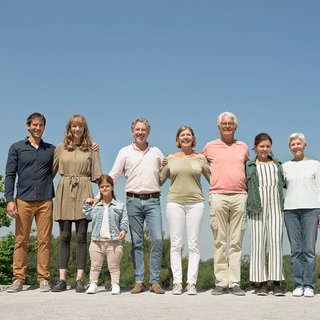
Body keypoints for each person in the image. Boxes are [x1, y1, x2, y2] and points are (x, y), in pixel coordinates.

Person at [107, 117, 165, 294]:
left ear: (148, 132)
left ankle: (154, 281)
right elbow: (114, 176)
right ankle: (139, 280)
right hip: (132, 201)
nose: (140, 132)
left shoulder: (157, 152)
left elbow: (167, 172)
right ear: (133, 132)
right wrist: (99, 196)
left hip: (153, 200)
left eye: (144, 130)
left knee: (157, 240)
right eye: (137, 130)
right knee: (137, 242)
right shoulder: (124, 152)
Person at [51, 114, 102, 293]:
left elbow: (97, 175)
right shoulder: (60, 148)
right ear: (69, 128)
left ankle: (80, 279)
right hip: (64, 191)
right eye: (74, 126)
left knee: (81, 238)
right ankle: (62, 279)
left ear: (84, 129)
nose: (77, 129)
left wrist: (102, 196)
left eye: (80, 126)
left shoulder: (92, 149)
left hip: (84, 192)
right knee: (64, 237)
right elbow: (50, 172)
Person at [5, 112, 55, 293]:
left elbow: (67, 155)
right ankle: (18, 279)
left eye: (40, 125)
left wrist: (92, 145)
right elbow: (10, 175)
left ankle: (43, 279)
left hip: (45, 201)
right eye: (34, 125)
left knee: (45, 241)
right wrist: (9, 200)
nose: (37, 128)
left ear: (44, 127)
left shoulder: (51, 149)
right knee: (21, 240)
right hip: (23, 201)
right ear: (28, 126)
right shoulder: (16, 148)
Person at [202, 111, 249, 296]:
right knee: (220, 241)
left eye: (231, 123)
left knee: (236, 241)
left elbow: (248, 168)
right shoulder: (210, 146)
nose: (227, 126)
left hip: (239, 196)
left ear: (235, 126)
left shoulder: (243, 147)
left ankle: (235, 281)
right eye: (224, 123)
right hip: (218, 196)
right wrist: (213, 181)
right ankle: (221, 281)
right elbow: (199, 163)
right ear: (218, 127)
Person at [160, 126, 210, 295]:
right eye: (183, 135)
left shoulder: (201, 158)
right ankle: (177, 282)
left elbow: (213, 179)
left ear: (193, 138)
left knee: (194, 243)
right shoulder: (170, 159)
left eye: (189, 134)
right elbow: (158, 180)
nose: (186, 137)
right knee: (176, 243)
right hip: (175, 203)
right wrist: (158, 163)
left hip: (196, 203)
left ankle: (191, 283)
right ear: (178, 139)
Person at [246, 133, 285, 296]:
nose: (265, 149)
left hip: (276, 206)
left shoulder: (277, 164)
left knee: (276, 242)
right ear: (255, 147)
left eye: (267, 146)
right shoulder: (249, 165)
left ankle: (276, 282)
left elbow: (284, 183)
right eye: (261, 146)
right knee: (258, 243)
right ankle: (261, 282)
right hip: (256, 206)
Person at [283, 133, 320, 298]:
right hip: (290, 210)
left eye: (299, 143)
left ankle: (309, 285)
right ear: (289, 147)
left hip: (311, 210)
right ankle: (298, 285)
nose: (296, 146)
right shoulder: (284, 166)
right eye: (293, 144)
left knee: (309, 250)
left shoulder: (315, 164)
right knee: (296, 250)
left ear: (304, 145)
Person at [83, 175, 128, 295]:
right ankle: (93, 284)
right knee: (95, 266)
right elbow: (87, 215)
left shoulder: (120, 205)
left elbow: (124, 220)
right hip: (97, 242)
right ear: (99, 189)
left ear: (112, 187)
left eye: (107, 186)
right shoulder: (96, 206)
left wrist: (123, 230)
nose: (104, 188)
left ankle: (115, 284)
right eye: (102, 186)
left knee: (114, 266)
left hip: (113, 242)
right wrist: (87, 203)